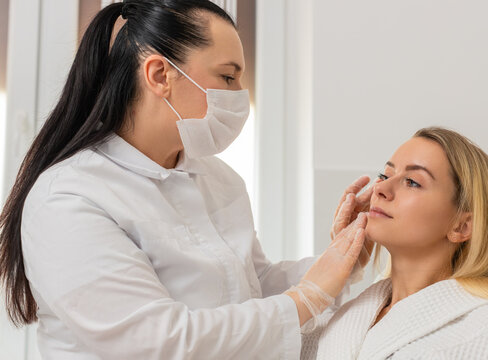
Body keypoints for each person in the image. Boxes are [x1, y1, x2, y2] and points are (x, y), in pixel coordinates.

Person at [0, 1, 374, 359]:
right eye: (227, 76)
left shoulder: (218, 179)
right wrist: (307, 298)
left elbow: (254, 284)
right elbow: (160, 343)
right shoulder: (68, 197)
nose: (239, 96)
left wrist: (342, 258)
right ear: (160, 75)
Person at [301, 127, 488, 359]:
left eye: (412, 182)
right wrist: (334, 267)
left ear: (461, 226)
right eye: (384, 175)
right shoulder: (332, 325)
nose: (381, 188)